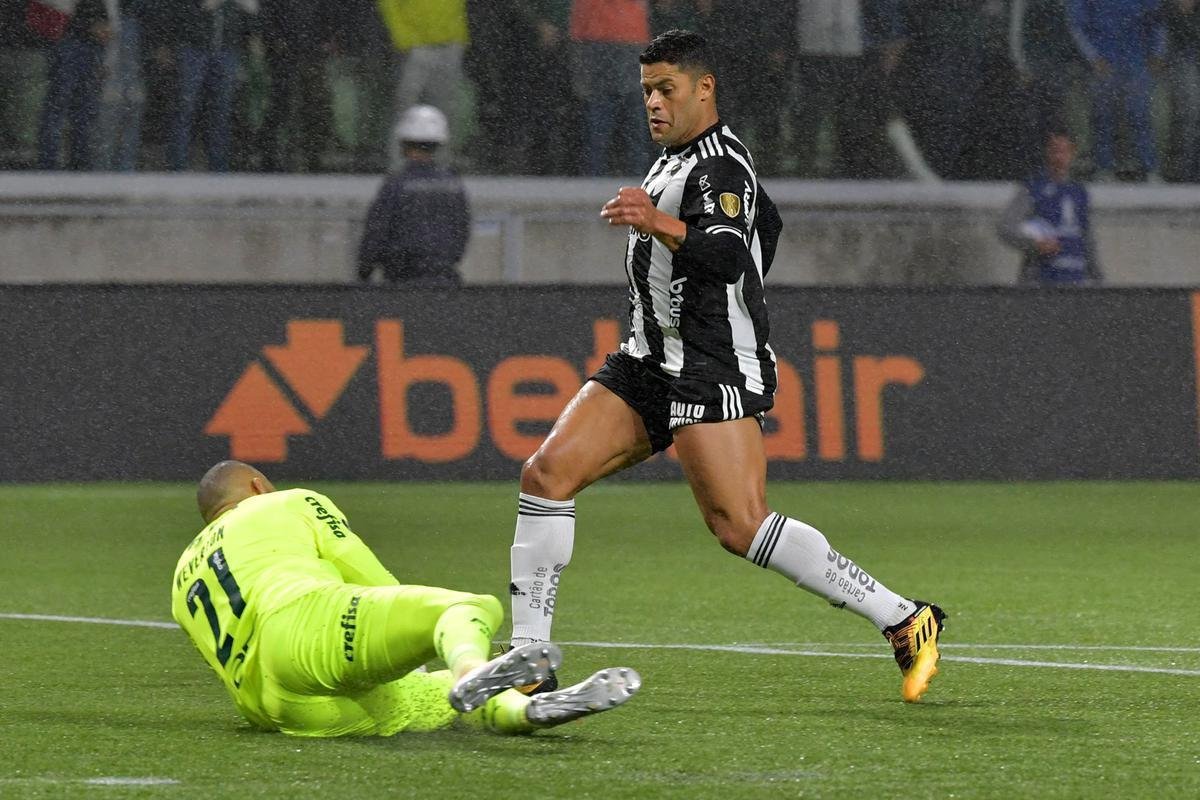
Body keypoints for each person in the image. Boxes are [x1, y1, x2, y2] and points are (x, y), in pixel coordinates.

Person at [505, 29, 946, 705]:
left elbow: (729, 253)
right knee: (545, 475)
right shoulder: (675, 161)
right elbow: (765, 227)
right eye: (646, 90)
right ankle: (530, 657)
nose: (652, 103)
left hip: (710, 363)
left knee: (739, 524)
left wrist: (659, 224)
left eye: (666, 90)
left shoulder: (719, 167)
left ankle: (903, 617)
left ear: (703, 89)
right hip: (648, 358)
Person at [172, 460, 640, 737]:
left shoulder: (181, 578)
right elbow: (369, 575)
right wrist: (410, 640)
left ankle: (528, 710)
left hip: (278, 707)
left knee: (429, 698)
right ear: (257, 486)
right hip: (306, 627)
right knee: (466, 610)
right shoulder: (284, 501)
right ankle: (471, 669)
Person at [357, 105, 470, 285]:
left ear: (404, 143)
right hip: (444, 282)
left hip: (402, 283)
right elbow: (462, 233)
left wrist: (365, 270)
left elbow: (377, 231)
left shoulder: (397, 183)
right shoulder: (453, 184)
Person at [1068, 0, 1166, 182]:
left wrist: (1157, 52)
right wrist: (1093, 57)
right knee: (1102, 117)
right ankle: (1104, 169)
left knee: (1140, 115)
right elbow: (1077, 26)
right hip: (1104, 61)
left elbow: (1157, 22)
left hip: (1136, 59)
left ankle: (1150, 168)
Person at [998, 126, 1102, 285]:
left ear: (1073, 154)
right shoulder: (1033, 188)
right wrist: (1035, 244)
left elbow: (1087, 239)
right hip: (1040, 281)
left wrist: (1097, 279)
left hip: (1075, 280)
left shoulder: (1079, 192)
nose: (1059, 157)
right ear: (1046, 152)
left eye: (1064, 151)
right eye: (1054, 151)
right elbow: (1006, 227)